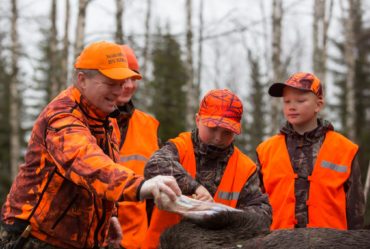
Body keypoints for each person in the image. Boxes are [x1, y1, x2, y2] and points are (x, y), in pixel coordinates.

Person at [0, 41, 181, 249]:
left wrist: (109, 217)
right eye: (111, 82)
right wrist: (141, 186)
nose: (119, 90)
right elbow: (88, 164)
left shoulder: (107, 119)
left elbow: (104, 172)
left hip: (79, 240)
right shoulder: (62, 118)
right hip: (35, 238)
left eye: (122, 82)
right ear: (82, 80)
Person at [141, 89, 272, 249]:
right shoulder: (180, 147)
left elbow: (262, 215)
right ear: (197, 120)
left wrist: (220, 215)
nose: (218, 137)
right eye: (212, 128)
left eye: (227, 132)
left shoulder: (245, 168)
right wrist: (195, 187)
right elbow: (155, 165)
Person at [256, 72, 365, 230]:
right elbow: (257, 207)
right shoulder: (265, 150)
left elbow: (356, 211)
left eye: (300, 100)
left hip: (331, 244)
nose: (292, 106)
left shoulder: (345, 149)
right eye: (286, 102)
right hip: (278, 243)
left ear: (318, 105)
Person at [114, 45, 160, 249]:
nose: (129, 85)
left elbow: (154, 194)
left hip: (136, 242)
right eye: (123, 78)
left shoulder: (148, 125)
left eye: (134, 78)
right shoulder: (82, 124)